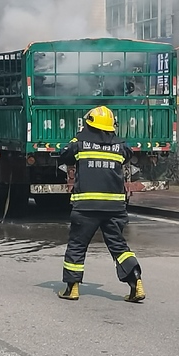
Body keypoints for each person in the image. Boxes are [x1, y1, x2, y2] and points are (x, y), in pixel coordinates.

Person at [57, 105, 144, 303]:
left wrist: (77, 138)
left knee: (77, 246)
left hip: (86, 207)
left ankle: (72, 289)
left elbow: (64, 154)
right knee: (118, 246)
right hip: (114, 208)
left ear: (89, 124)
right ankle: (135, 281)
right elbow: (128, 154)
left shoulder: (79, 143)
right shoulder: (120, 145)